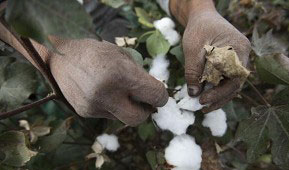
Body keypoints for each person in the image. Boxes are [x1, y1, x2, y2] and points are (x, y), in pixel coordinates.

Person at [0, 0, 250, 126]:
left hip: (98, 9)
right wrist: (54, 51)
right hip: (21, 30)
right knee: (87, 102)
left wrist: (201, 12)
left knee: (122, 87)